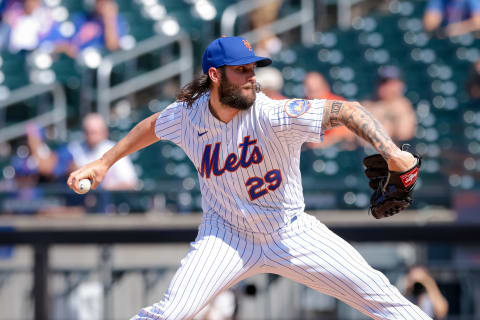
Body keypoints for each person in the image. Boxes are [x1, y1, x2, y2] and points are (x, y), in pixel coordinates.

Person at [67, 36, 431, 319]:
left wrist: (392, 152)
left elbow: (347, 111)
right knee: (170, 312)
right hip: (225, 237)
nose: (251, 76)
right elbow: (152, 125)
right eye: (241, 70)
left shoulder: (272, 114)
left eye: (252, 68)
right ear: (215, 75)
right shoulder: (188, 115)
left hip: (291, 233)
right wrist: (104, 161)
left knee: (383, 298)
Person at [363, 66, 417, 143]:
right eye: (382, 82)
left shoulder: (402, 105)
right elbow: (361, 139)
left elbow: (404, 134)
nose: (385, 87)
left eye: (390, 83)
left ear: (399, 85)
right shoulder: (367, 104)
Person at [55, 0, 127, 58]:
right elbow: (63, 43)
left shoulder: (116, 21)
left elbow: (112, 46)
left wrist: (109, 19)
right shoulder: (82, 17)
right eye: (99, 1)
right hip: (77, 60)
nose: (102, 5)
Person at [303, 71, 356, 149]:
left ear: (325, 87)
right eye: (309, 89)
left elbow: (344, 134)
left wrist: (320, 144)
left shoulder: (336, 103)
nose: (312, 94)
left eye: (316, 90)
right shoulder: (302, 106)